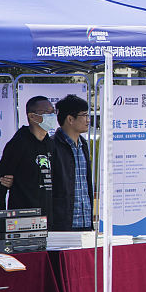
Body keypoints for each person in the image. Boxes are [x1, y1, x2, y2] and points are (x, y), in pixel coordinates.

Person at [0, 95, 55, 217]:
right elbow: (1, 182)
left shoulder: (52, 145)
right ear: (31, 116)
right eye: (46, 112)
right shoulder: (18, 144)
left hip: (49, 217)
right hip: (23, 215)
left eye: (52, 112)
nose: (51, 116)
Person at [49, 94, 92, 231]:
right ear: (70, 119)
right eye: (84, 115)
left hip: (85, 223)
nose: (88, 120)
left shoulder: (83, 145)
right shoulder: (52, 146)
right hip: (63, 224)